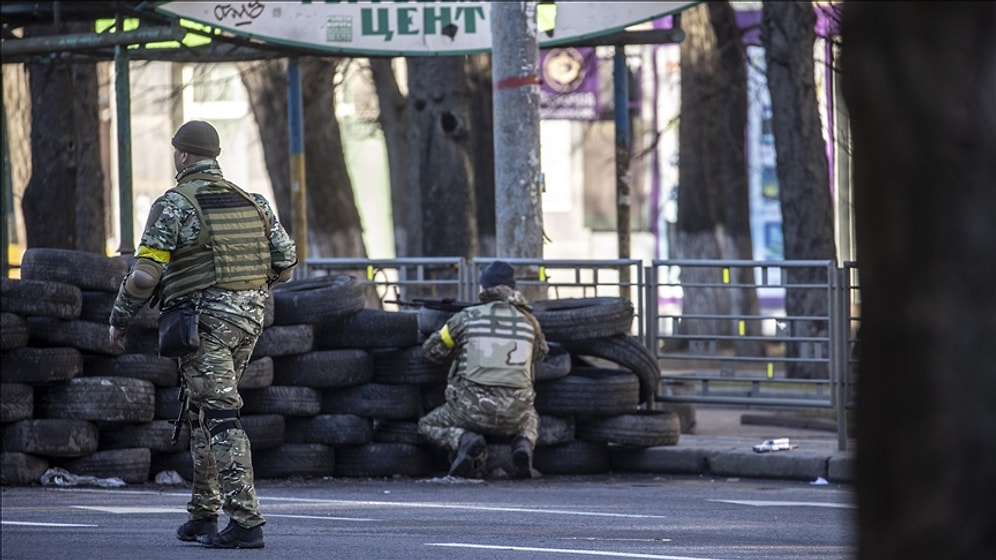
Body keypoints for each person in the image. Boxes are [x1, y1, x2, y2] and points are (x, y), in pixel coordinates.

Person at [108, 120, 297, 549]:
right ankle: (203, 514)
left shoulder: (174, 204)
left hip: (203, 324)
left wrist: (120, 319)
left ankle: (246, 521)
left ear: (183, 155)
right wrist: (247, 292)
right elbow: (286, 265)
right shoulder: (254, 202)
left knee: (220, 414)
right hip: (249, 322)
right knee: (200, 413)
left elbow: (142, 277)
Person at [418, 260, 549, 479]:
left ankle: (464, 439)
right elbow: (540, 355)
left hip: (470, 411)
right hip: (515, 413)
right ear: (513, 288)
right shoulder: (530, 322)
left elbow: (432, 350)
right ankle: (523, 447)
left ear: (483, 288)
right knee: (530, 418)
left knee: (426, 425)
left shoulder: (465, 318)